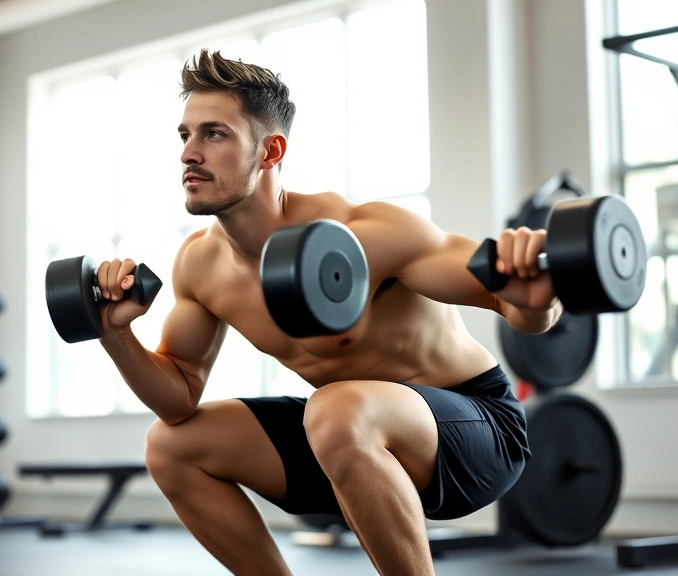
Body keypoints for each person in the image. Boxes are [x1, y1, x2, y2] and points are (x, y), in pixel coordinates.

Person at [95, 49, 553, 576]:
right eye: (185, 135)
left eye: (213, 134)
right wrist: (115, 335)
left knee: (335, 409)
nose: (188, 154)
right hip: (343, 440)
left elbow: (512, 303)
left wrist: (536, 299)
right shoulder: (200, 266)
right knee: (172, 445)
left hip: (474, 433)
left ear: (270, 151)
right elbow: (178, 397)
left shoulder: (366, 234)